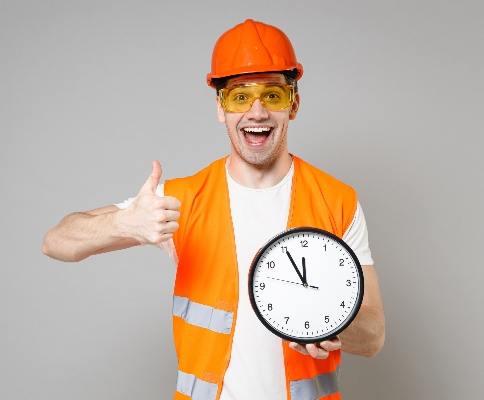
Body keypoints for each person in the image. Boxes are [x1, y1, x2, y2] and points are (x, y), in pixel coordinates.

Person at [42, 19, 385, 400]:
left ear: (294, 104)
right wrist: (124, 222)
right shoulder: (182, 200)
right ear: (221, 108)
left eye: (272, 95)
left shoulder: (337, 200)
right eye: (240, 97)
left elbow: (373, 335)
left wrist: (329, 326)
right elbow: (56, 241)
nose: (256, 112)